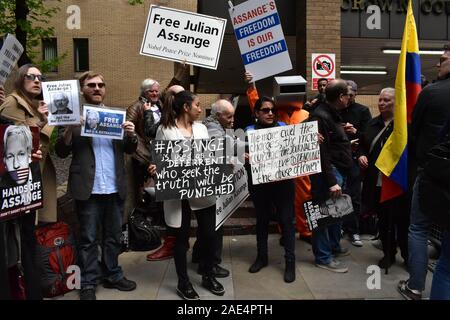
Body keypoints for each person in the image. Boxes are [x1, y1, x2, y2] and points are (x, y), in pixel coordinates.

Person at [55, 71, 138, 300]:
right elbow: (61, 151)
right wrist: (71, 128)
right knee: (88, 239)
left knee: (113, 236)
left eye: (101, 84)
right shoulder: (71, 116)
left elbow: (130, 149)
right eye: (91, 85)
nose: (97, 88)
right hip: (88, 188)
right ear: (82, 90)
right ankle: (89, 281)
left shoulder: (116, 116)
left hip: (114, 187)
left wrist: (131, 135)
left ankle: (113, 273)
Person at [148, 90, 225, 300]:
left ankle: (208, 274)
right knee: (180, 240)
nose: (200, 109)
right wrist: (156, 168)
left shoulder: (201, 128)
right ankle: (183, 282)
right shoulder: (165, 130)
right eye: (198, 105)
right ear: (186, 107)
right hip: (177, 193)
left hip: (202, 190)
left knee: (209, 235)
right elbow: (158, 158)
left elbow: (210, 155)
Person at [0, 64, 57, 300]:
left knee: (28, 239)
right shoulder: (13, 103)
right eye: (30, 77)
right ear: (20, 79)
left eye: (40, 77)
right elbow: (14, 139)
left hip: (30, 184)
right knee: (17, 243)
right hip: (15, 186)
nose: (36, 80)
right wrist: (47, 121)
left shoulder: (32, 105)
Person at [398, 44, 450, 300]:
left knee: (418, 228)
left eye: (442, 60)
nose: (438, 65)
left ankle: (415, 287)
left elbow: (413, 131)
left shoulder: (432, 93)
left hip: (433, 173)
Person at [245, 71, 313, 245]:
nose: (269, 112)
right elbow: (257, 105)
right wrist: (252, 85)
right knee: (282, 205)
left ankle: (306, 231)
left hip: (299, 165)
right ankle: (285, 231)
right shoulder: (276, 113)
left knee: (305, 197)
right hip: (277, 168)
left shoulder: (306, 114)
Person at [245, 96, 296, 283]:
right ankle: (262, 257)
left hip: (283, 185)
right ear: (257, 113)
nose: (270, 113)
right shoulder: (248, 131)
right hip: (260, 186)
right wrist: (244, 156)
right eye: (265, 110)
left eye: (272, 110)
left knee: (286, 221)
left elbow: (297, 148)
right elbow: (239, 156)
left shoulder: (284, 128)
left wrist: (312, 139)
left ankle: (290, 262)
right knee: (262, 221)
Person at [358, 88, 409, 269]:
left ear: (396, 102)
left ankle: (407, 254)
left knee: (402, 221)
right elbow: (363, 145)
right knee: (384, 219)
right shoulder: (372, 124)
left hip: (398, 181)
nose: (381, 103)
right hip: (377, 181)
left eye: (386, 100)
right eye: (380, 100)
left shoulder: (404, 126)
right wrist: (361, 155)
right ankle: (389, 253)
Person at [308, 79, 353, 273]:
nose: (350, 98)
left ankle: (333, 247)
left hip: (336, 171)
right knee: (323, 215)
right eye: (348, 94)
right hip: (328, 175)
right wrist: (332, 181)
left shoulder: (331, 115)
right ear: (341, 97)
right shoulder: (320, 116)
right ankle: (323, 257)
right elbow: (321, 152)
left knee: (335, 213)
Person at [191, 99, 235, 278]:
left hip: (207, 185)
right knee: (213, 227)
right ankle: (211, 264)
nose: (232, 119)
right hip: (211, 187)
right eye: (229, 116)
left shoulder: (210, 126)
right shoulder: (213, 130)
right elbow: (218, 151)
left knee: (206, 227)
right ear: (218, 116)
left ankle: (198, 256)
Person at [143, 84, 185, 262]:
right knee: (169, 207)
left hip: (187, 176)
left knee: (183, 212)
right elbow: (151, 133)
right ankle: (170, 243)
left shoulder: (191, 120)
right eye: (177, 95)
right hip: (163, 168)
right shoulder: (165, 122)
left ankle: (181, 242)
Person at [339, 80, 372, 247]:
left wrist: (355, 132)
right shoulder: (336, 109)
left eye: (351, 95)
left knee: (354, 196)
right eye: (346, 95)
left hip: (354, 158)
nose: (348, 98)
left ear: (356, 94)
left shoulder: (363, 111)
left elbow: (369, 136)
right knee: (338, 195)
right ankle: (339, 228)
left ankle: (354, 230)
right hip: (337, 158)